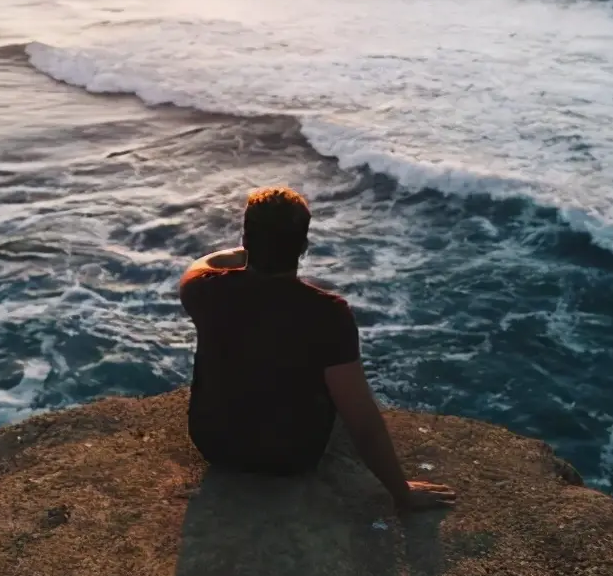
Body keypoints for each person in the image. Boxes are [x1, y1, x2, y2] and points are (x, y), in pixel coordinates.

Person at [179, 186, 456, 513]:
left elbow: (203, 262)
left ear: (247, 238)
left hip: (213, 443)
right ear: (303, 246)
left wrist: (249, 250)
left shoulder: (202, 288)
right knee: (337, 392)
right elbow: (362, 420)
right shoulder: (329, 313)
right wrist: (402, 492)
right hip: (290, 457)